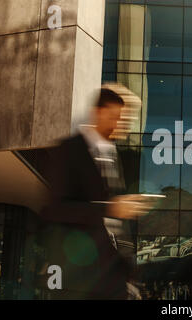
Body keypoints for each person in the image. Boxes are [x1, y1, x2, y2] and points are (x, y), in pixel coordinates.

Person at [41, 86, 154, 299]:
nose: (121, 124)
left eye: (124, 118)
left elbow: (114, 226)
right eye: (115, 117)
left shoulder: (115, 155)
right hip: (79, 277)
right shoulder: (68, 150)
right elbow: (56, 210)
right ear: (98, 113)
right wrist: (111, 208)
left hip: (111, 277)